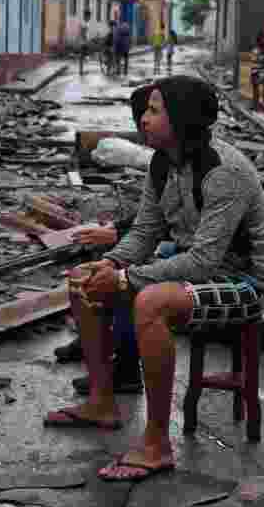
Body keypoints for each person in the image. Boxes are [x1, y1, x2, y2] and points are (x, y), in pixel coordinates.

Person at [43, 75, 264, 482]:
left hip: (244, 283)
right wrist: (111, 263)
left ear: (181, 117)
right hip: (198, 272)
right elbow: (144, 232)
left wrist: (125, 279)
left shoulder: (223, 172)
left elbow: (203, 262)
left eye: (154, 111)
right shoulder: (162, 163)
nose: (143, 119)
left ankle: (156, 444)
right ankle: (101, 402)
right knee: (84, 277)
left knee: (149, 302)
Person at [55, 85, 155, 396]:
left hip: (211, 260)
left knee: (123, 282)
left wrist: (118, 239)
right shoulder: (166, 160)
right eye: (142, 118)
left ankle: (126, 370)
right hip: (182, 246)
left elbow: (178, 229)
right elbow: (154, 217)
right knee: (103, 258)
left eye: (152, 115)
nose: (144, 126)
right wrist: (115, 233)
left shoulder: (193, 164)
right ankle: (95, 341)